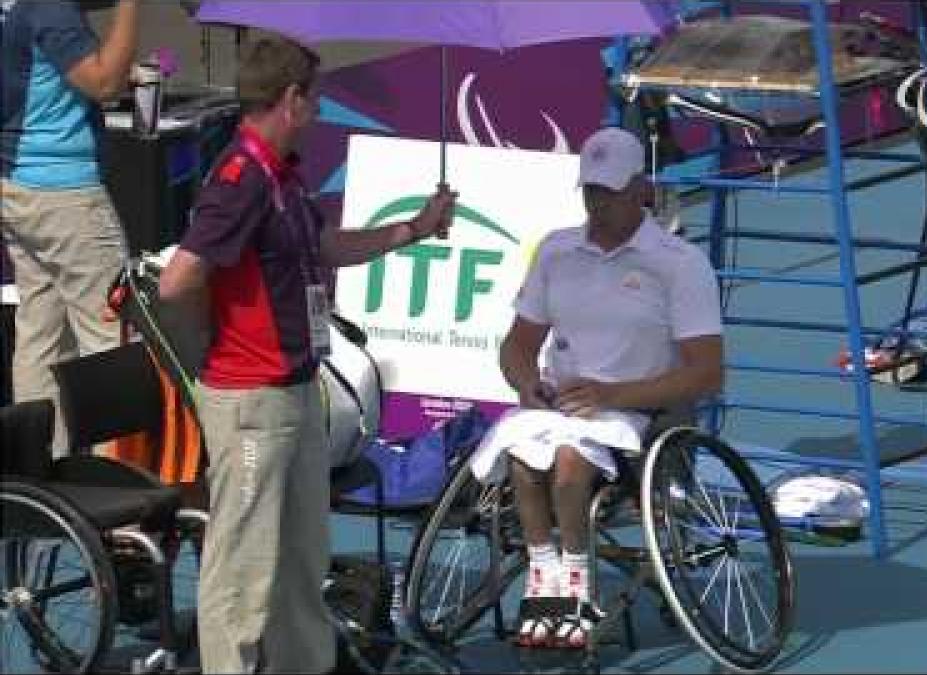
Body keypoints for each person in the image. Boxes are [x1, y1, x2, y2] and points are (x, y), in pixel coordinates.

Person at [157, 36, 456, 674]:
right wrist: (215, 352)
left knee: (299, 560)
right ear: (290, 99)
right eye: (314, 98)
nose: (319, 110)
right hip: (250, 403)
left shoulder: (282, 175)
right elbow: (177, 281)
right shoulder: (240, 178)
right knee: (243, 567)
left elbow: (326, 248)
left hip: (294, 390)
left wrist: (413, 230)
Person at [469, 127, 723, 648]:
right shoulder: (556, 252)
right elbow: (516, 348)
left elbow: (707, 374)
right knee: (522, 457)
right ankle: (545, 578)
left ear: (642, 190)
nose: (598, 203)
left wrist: (611, 397)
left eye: (609, 191)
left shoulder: (680, 265)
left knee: (567, 463)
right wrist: (527, 384)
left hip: (642, 412)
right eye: (590, 191)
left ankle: (578, 589)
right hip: (561, 407)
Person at [1, 0, 141, 454]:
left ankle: (36, 479)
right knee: (110, 338)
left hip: (18, 183)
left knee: (40, 334)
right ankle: (118, 484)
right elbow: (103, 81)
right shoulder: (48, 5)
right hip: (65, 194)